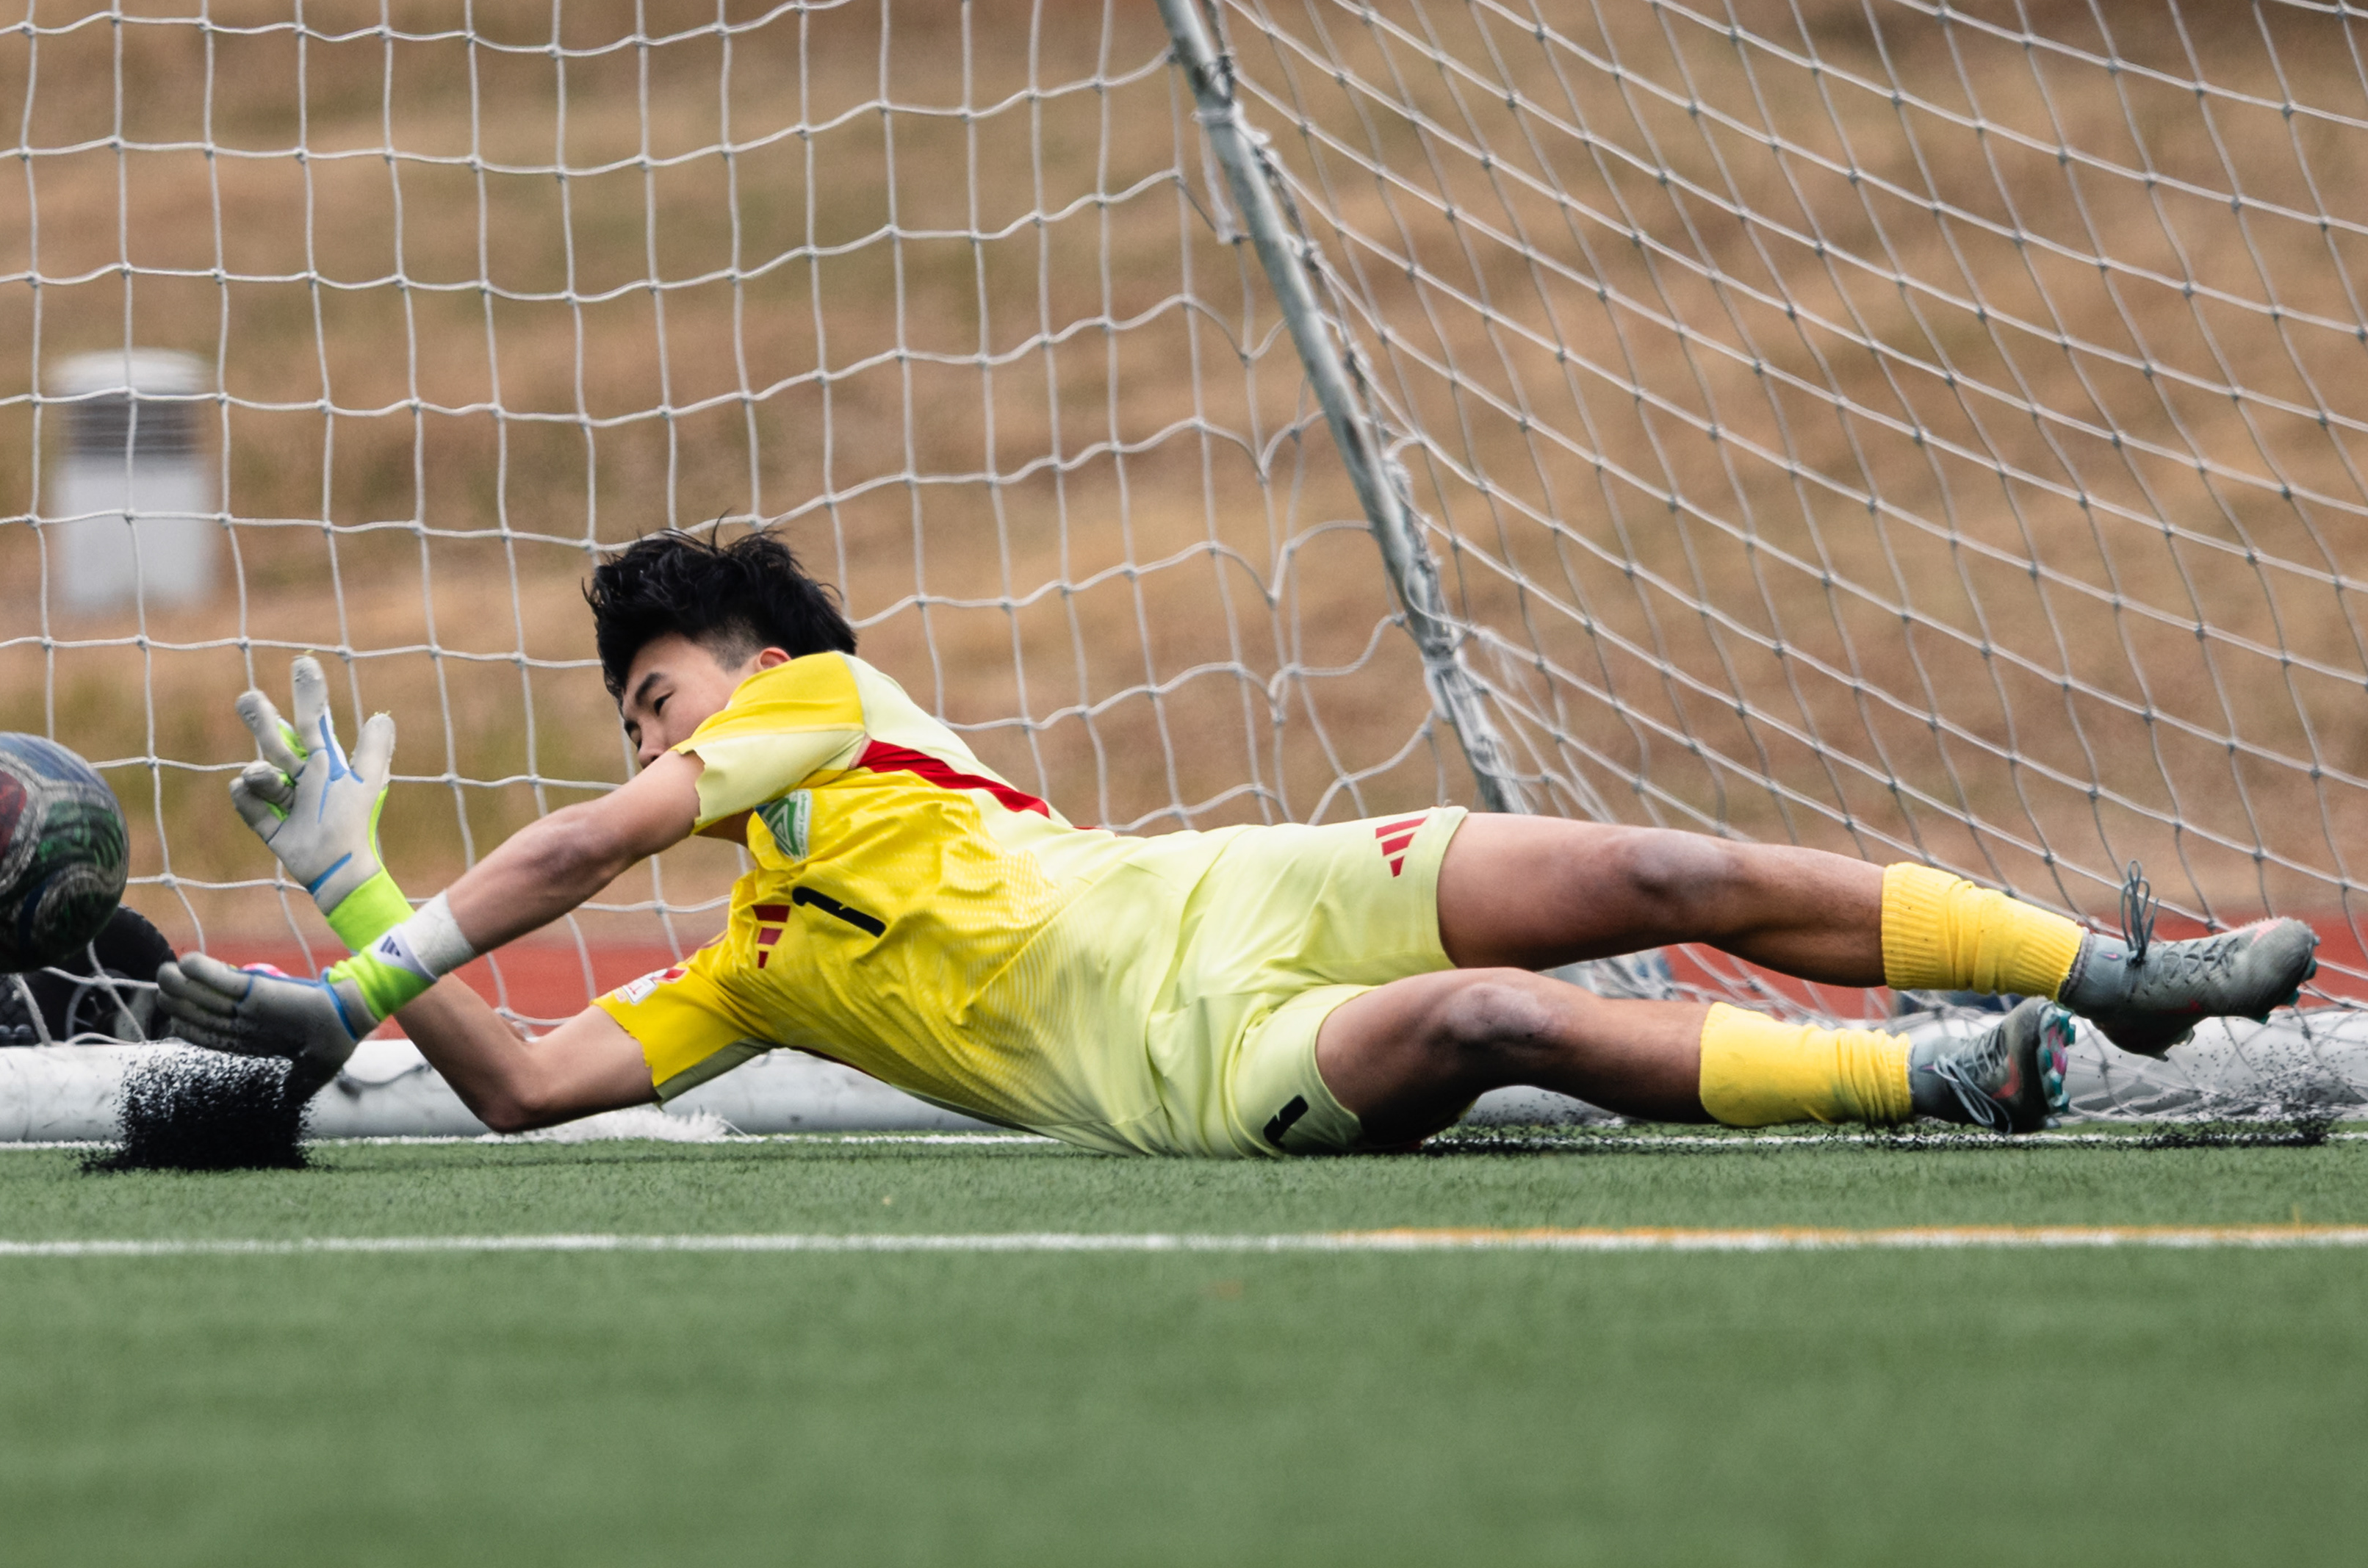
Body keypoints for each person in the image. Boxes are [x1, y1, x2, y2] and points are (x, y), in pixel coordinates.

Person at [158, 529, 2319, 1154]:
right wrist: (350, 885)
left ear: (764, 672)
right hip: (1200, 1077)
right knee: (1494, 1019)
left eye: (670, 690)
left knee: (1655, 873)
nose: (658, 733)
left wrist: (341, 982)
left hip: (1244, 877)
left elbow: (577, 847)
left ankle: (2102, 979)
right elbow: (529, 1084)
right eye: (638, 712)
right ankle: (1926, 1076)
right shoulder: (758, 962)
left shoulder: (829, 709)